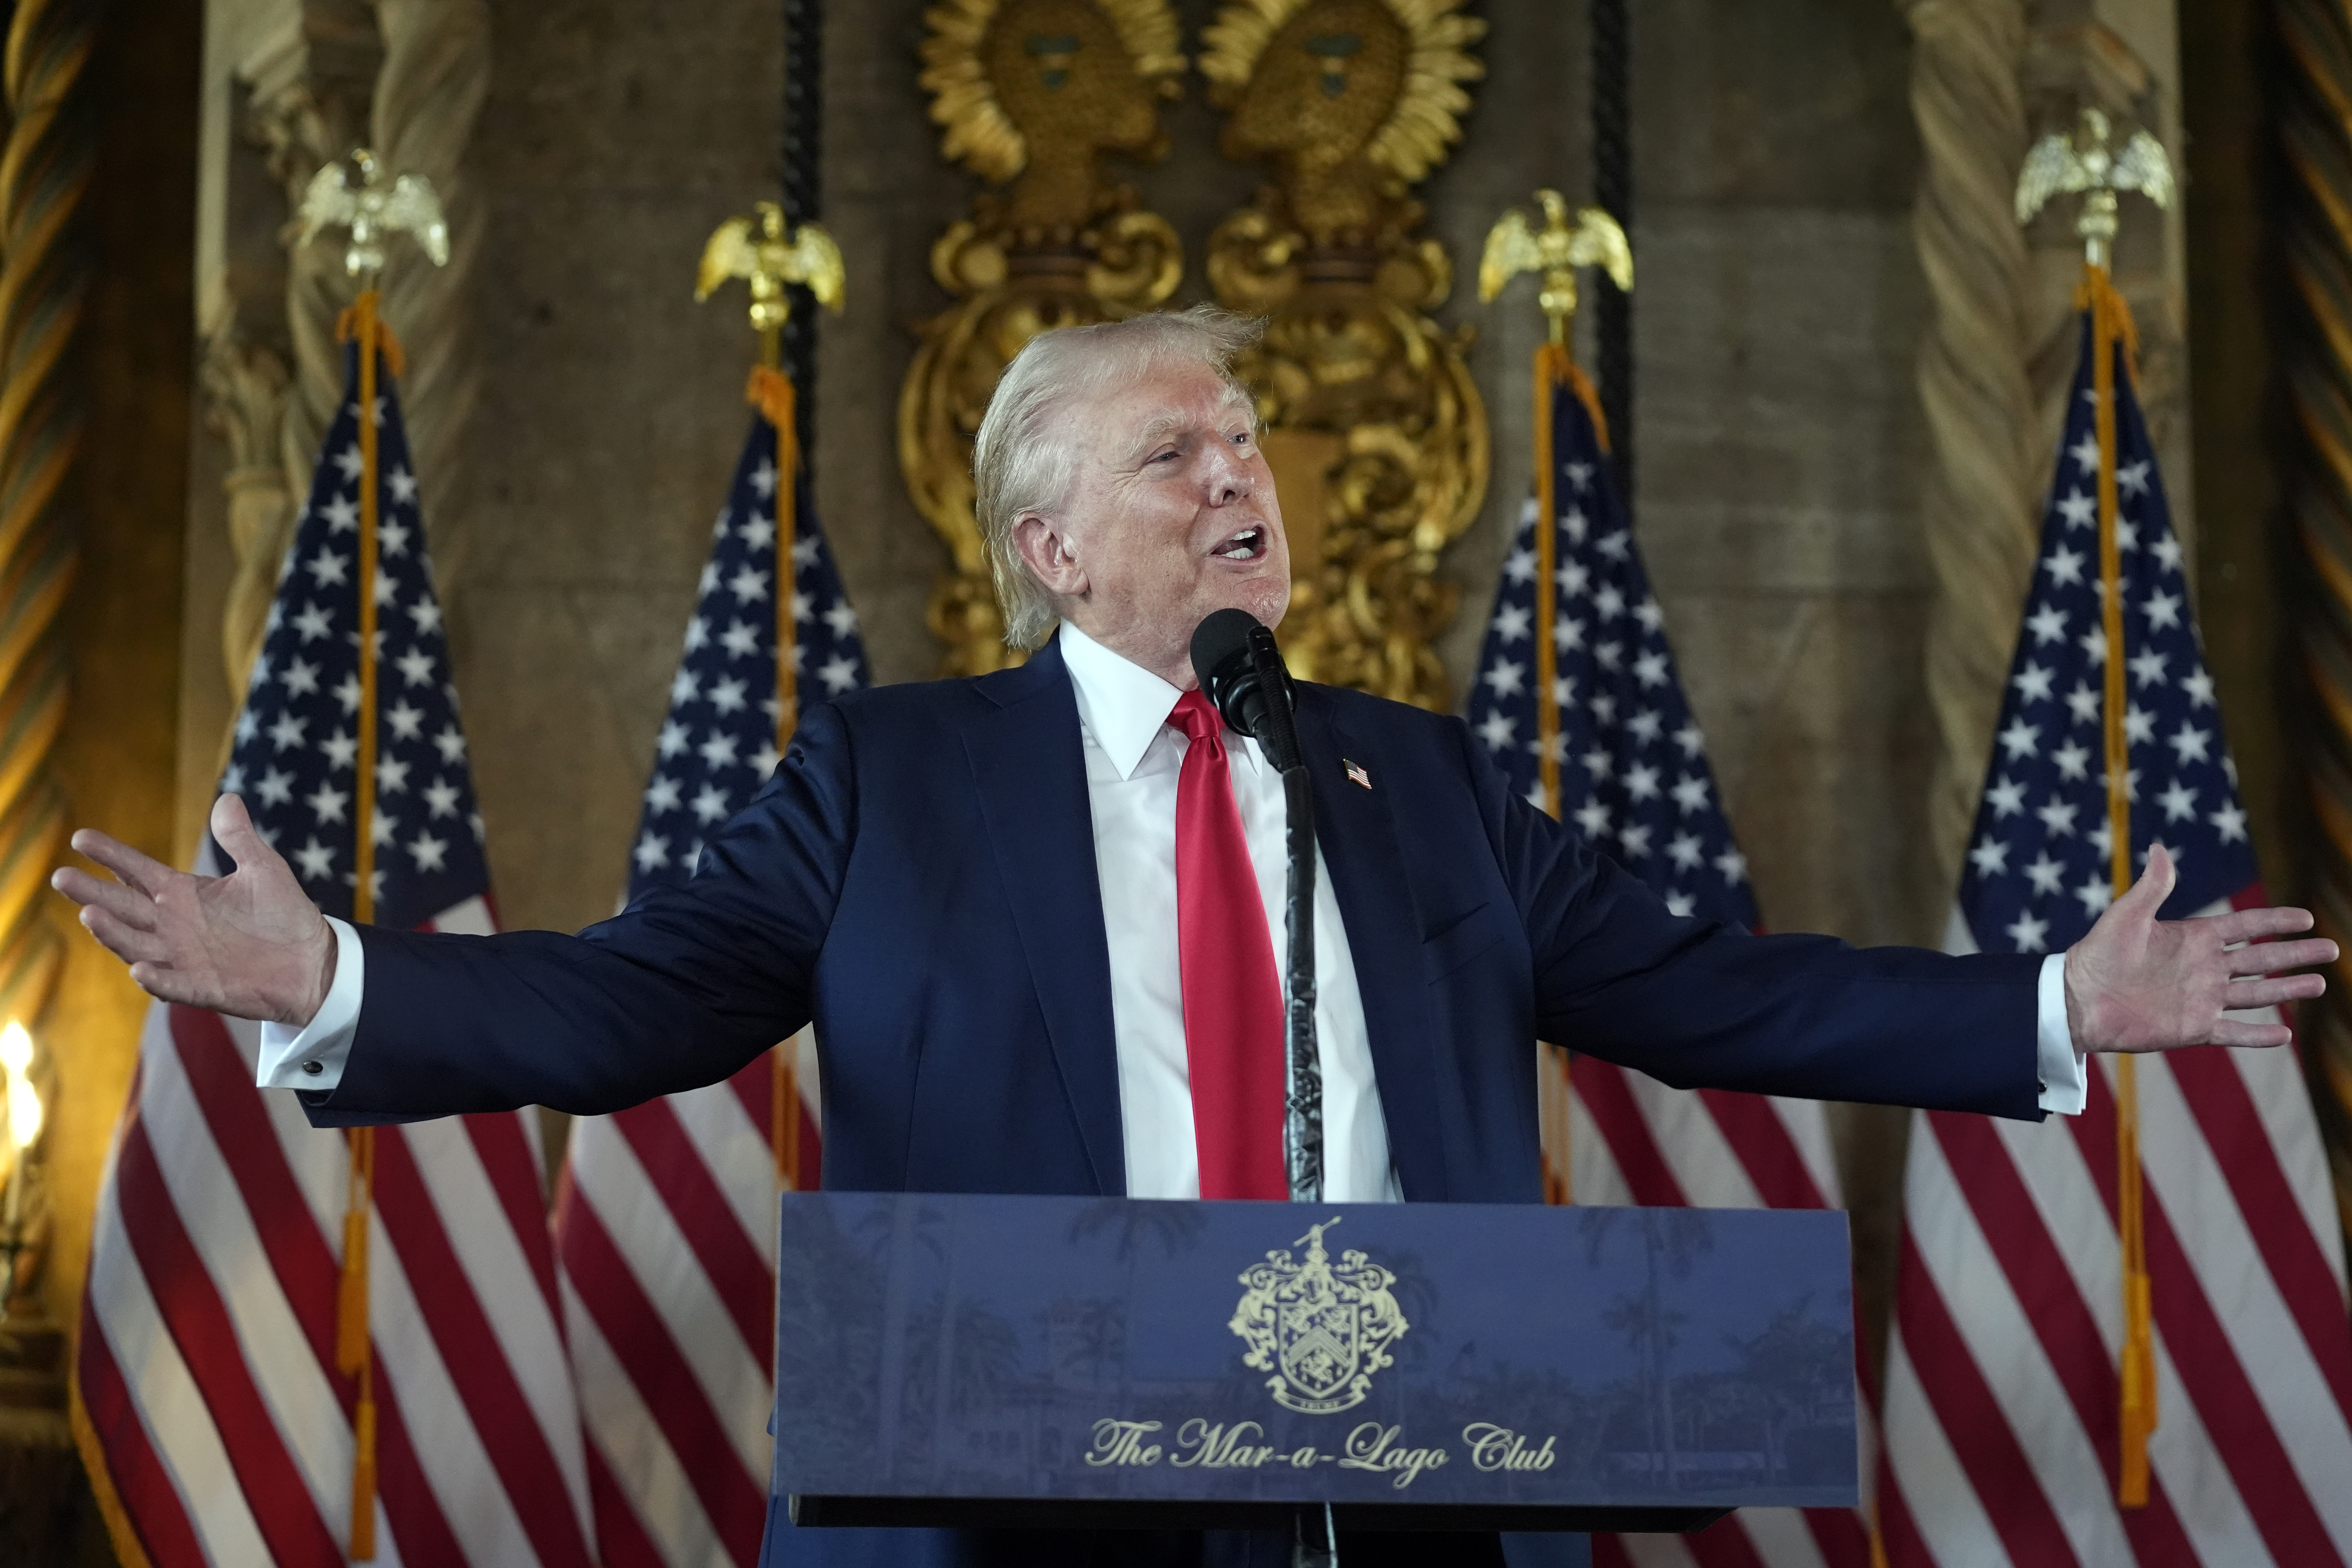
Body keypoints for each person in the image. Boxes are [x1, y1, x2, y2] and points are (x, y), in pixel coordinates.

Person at [56, 309, 2334, 1568]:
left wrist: (2055, 1002)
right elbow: (636, 994)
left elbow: (1713, 989)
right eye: (1180, 453)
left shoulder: (1417, 782)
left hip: (1404, 1512)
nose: (1244, 477)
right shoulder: (896, 774)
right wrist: (339, 980)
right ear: (1050, 546)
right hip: (1012, 1518)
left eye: (1250, 443)